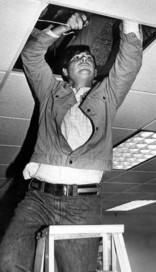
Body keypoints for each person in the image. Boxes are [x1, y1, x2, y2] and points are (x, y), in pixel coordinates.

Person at [0, 12, 143, 272]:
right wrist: (62, 27)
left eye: (89, 57)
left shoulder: (107, 97)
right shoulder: (50, 92)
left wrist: (130, 15)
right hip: (37, 200)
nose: (84, 58)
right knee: (9, 261)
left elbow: (129, 64)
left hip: (82, 205)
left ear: (95, 70)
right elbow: (31, 56)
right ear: (65, 72)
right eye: (77, 57)